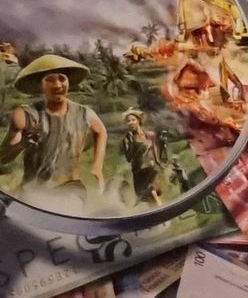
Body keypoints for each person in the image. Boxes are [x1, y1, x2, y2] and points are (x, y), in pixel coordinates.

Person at [2, 54, 107, 210]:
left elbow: (101, 131)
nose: (58, 85)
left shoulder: (84, 114)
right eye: (50, 79)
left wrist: (97, 166)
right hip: (33, 192)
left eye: (62, 79)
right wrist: (22, 144)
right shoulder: (26, 115)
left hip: (70, 189)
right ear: (41, 85)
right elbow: (3, 157)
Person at [121, 110, 165, 205]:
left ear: (138, 120)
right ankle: (158, 218)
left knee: (153, 191)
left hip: (151, 168)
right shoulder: (127, 139)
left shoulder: (149, 134)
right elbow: (129, 158)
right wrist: (132, 143)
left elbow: (154, 149)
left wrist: (158, 162)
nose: (130, 123)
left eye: (133, 120)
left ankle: (165, 216)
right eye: (128, 121)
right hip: (139, 170)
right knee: (148, 198)